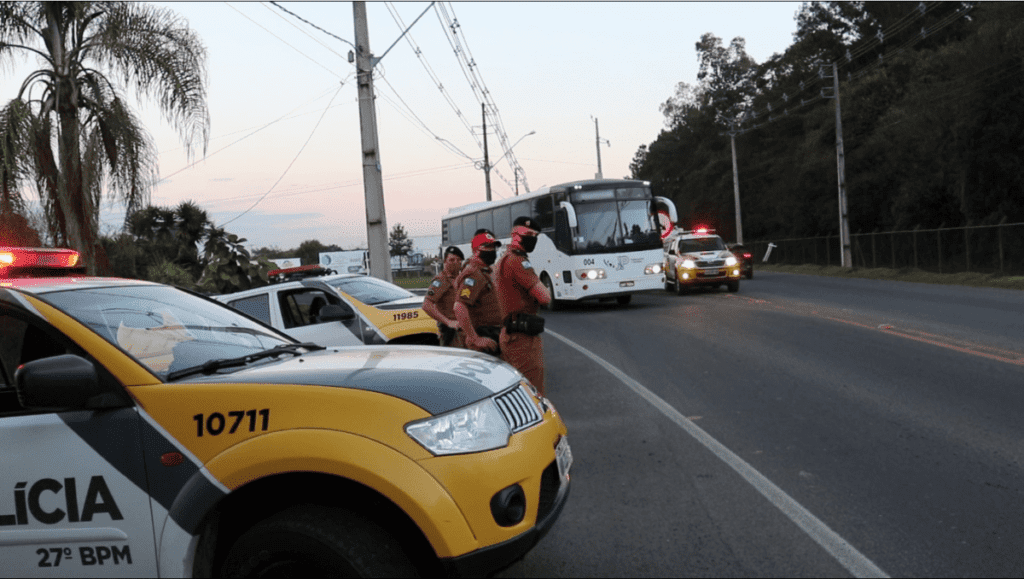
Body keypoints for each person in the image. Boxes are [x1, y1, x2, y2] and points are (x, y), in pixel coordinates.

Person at [495, 216, 551, 395]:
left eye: (535, 235)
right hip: (522, 339)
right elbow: (545, 297)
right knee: (533, 393)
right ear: (514, 234)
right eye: (527, 233)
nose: (532, 238)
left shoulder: (503, 259)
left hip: (510, 334)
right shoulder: (518, 261)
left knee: (516, 393)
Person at [453, 230, 503, 355]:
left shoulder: (484, 270)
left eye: (493, 247)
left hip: (492, 335)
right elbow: (459, 306)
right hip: (484, 338)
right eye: (487, 247)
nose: (492, 251)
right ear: (476, 251)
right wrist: (475, 338)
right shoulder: (474, 274)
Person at [422, 245, 465, 347]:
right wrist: (448, 322)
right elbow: (427, 305)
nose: (455, 262)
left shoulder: (462, 278)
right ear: (445, 261)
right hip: (451, 332)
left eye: (458, 260)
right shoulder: (441, 280)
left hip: (465, 331)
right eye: (451, 260)